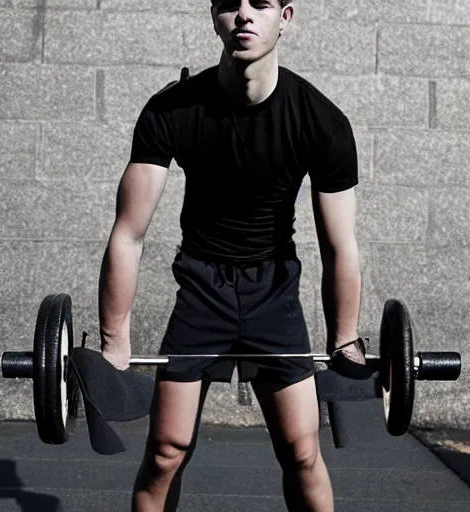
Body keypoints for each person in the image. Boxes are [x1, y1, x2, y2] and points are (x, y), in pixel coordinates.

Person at [98, 1, 370, 510]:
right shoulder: (171, 110)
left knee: (303, 451)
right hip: (202, 287)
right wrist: (116, 344)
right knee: (164, 451)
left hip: (274, 291)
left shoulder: (322, 121)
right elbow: (128, 234)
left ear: (284, 16)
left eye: (260, 4)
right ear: (214, 16)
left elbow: (340, 246)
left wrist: (344, 341)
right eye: (230, 4)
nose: (244, 15)